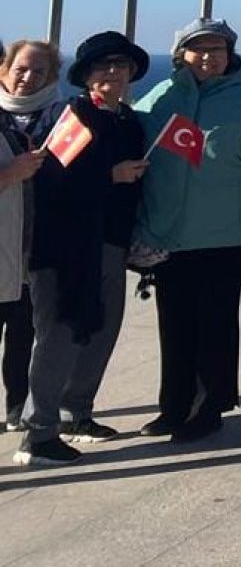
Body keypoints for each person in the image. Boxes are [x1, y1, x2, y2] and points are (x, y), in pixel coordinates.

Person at [134, 18, 241, 441]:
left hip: (227, 232)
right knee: (174, 324)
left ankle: (208, 409)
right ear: (180, 55)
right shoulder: (161, 96)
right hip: (169, 230)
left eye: (217, 49)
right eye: (198, 48)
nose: (208, 56)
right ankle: (173, 407)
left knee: (215, 323)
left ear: (230, 55)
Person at [11, 33, 148, 467]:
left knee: (99, 329)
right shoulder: (75, 116)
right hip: (64, 247)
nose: (113, 72)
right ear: (86, 75)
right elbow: (52, 181)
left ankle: (77, 415)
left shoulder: (128, 121)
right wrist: (112, 175)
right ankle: (40, 432)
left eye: (121, 65)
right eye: (103, 65)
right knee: (59, 336)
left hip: (107, 242)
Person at [0, 40, 61, 430]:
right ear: (3, 71)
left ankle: (15, 408)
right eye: (21, 68)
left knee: (25, 334)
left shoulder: (64, 119)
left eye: (39, 71)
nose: (28, 77)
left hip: (35, 248)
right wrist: (12, 174)